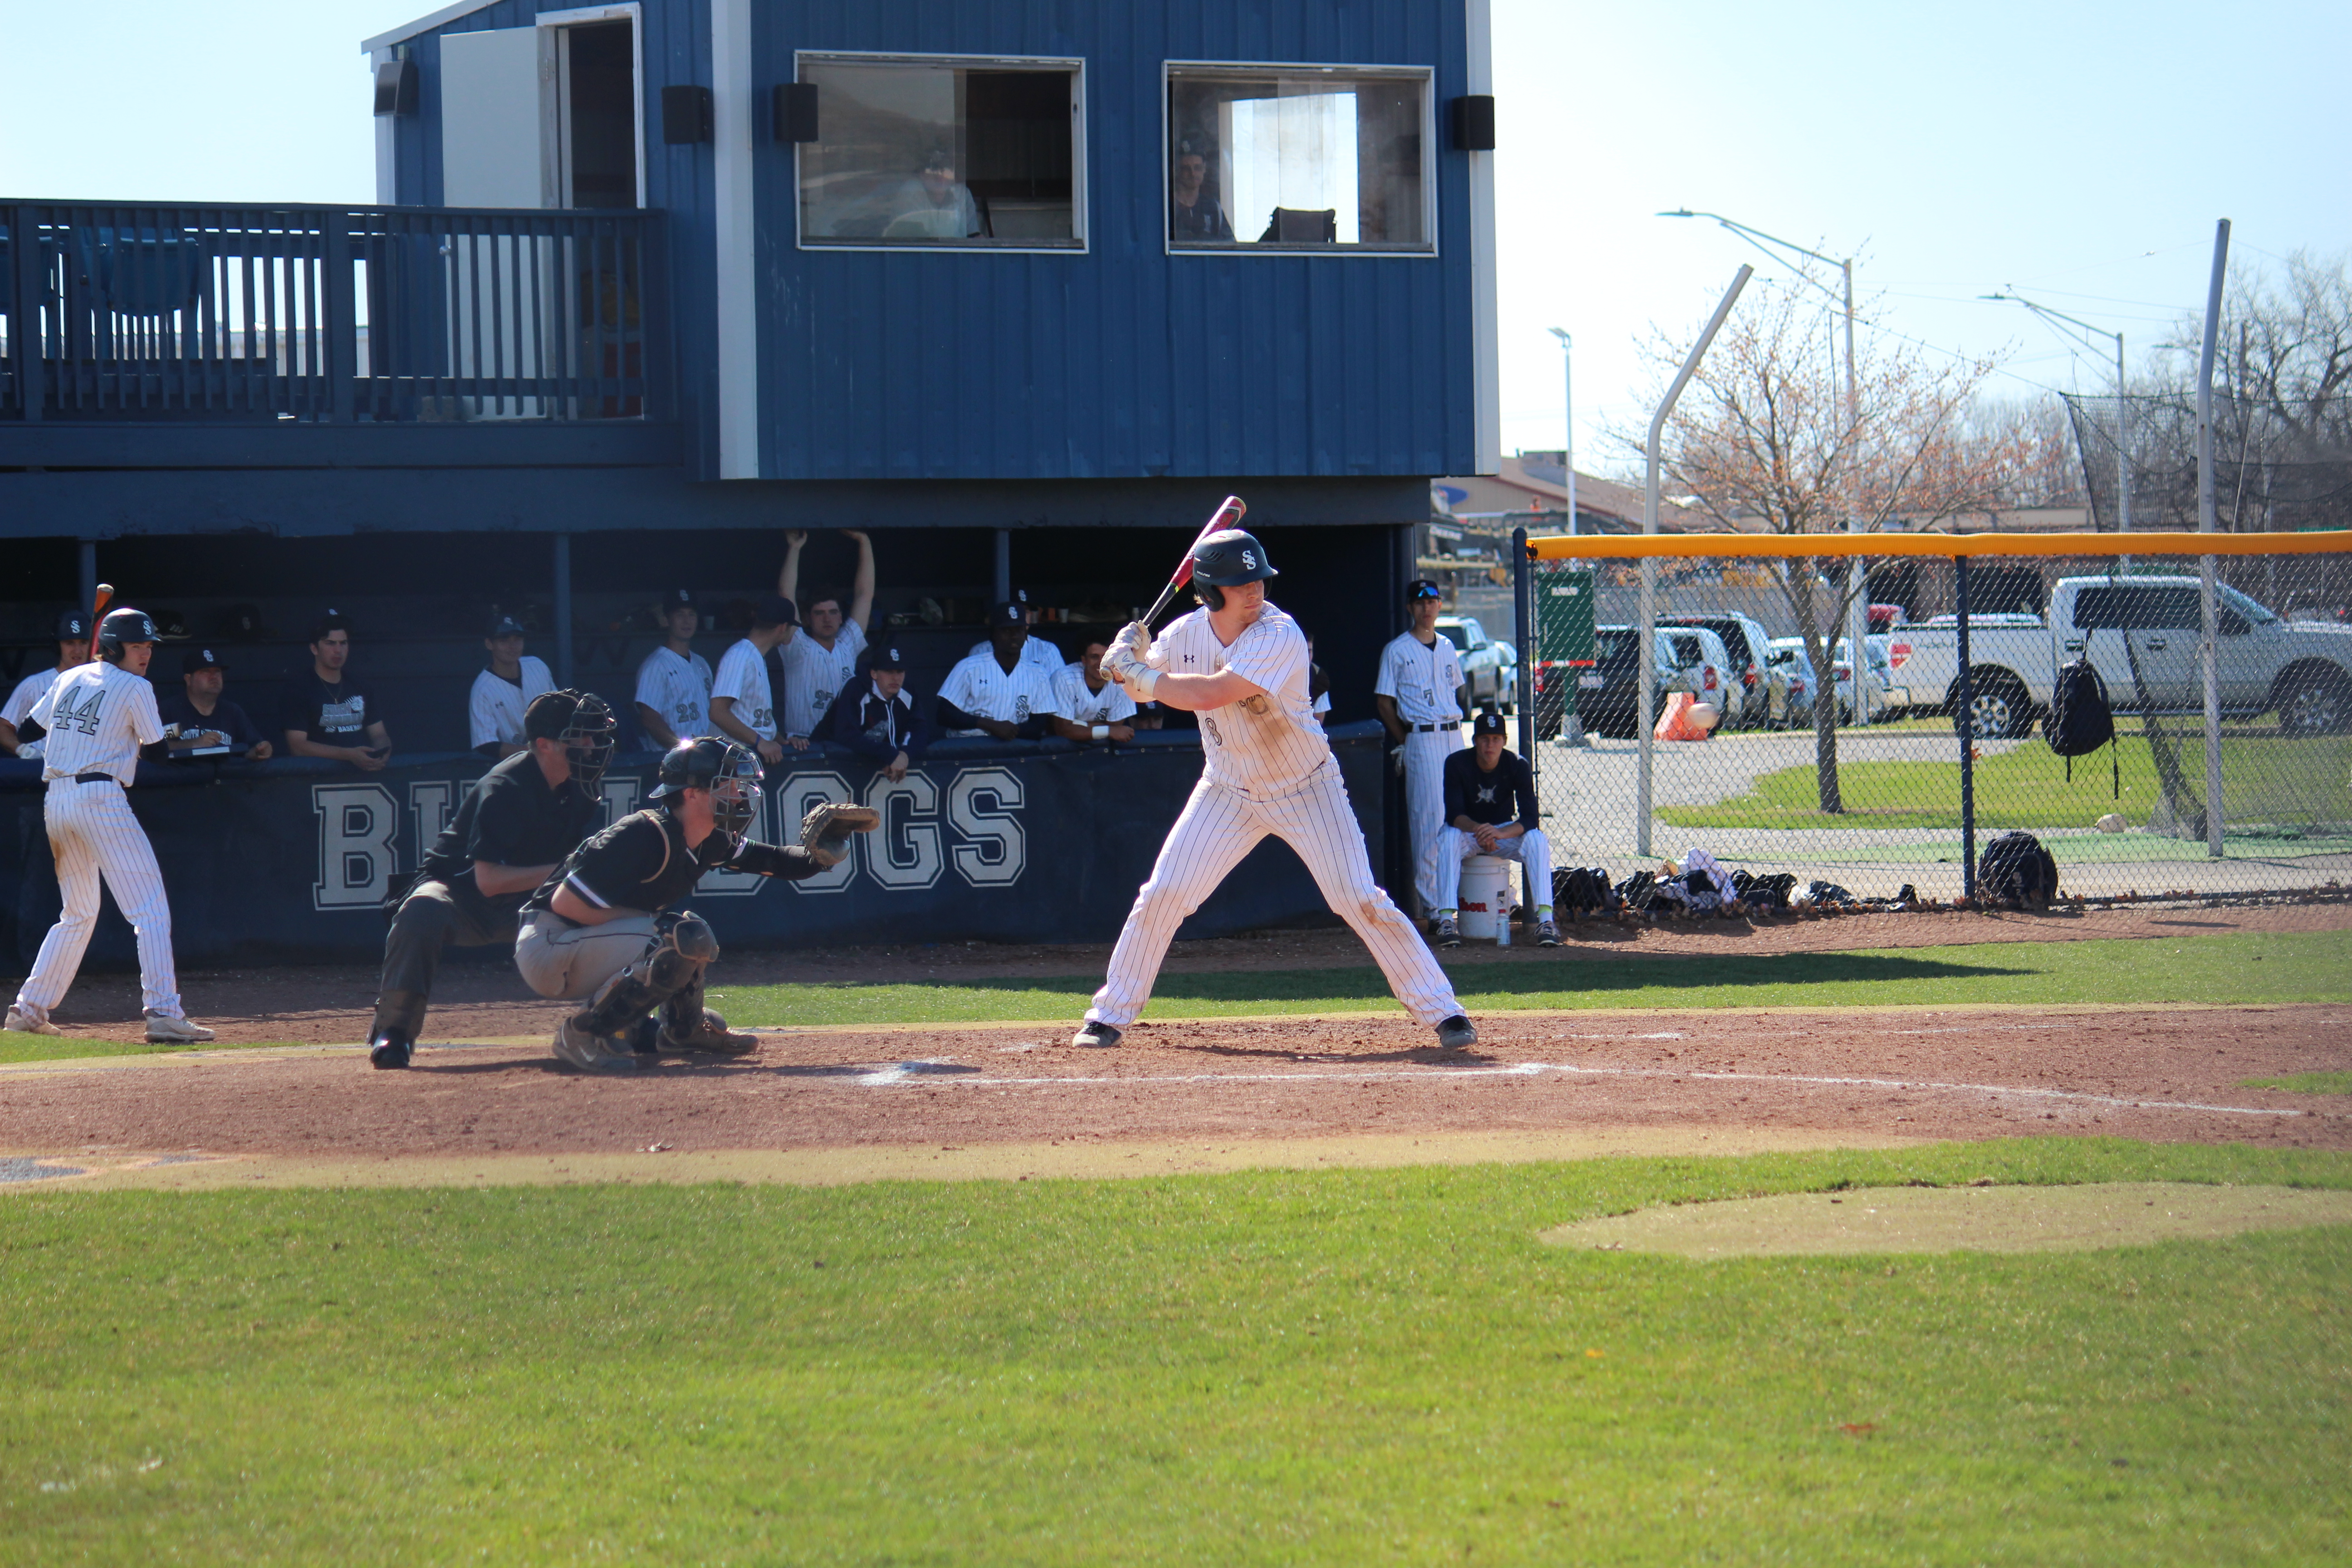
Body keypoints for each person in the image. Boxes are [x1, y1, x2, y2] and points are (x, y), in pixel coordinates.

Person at [1081, 530, 1475, 1052]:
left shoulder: (1279, 632)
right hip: (1227, 789)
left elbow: (1213, 691)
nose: (1255, 590)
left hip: (1306, 787)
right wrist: (1125, 658)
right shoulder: (1182, 636)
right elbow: (1137, 685)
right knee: (1164, 894)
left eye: (1258, 580)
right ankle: (1109, 1014)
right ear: (1211, 592)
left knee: (1359, 898)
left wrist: (1137, 673)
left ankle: (1443, 1010)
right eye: (1240, 583)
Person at [512, 738, 877, 1070]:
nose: (739, 794)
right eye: (727, 785)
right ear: (691, 793)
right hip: (549, 944)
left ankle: (682, 1031)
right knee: (678, 936)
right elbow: (567, 905)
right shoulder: (642, 833)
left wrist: (820, 856)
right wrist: (650, 924)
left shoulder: (708, 838)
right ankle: (581, 1033)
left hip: (585, 942)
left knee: (684, 934)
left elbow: (775, 862)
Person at [368, 691, 615, 1068]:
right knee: (421, 910)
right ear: (545, 745)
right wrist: (567, 871)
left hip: (534, 899)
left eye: (592, 736)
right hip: (465, 897)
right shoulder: (505, 788)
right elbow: (489, 881)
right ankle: (395, 1031)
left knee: (613, 910)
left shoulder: (580, 784)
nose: (592, 746)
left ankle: (625, 1018)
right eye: (579, 737)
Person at [4, 608, 212, 1044]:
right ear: (115, 648)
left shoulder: (67, 677)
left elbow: (27, 728)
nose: (145, 654)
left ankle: (28, 1009)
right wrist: (125, 732)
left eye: (149, 647)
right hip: (100, 798)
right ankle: (163, 1012)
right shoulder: (136, 687)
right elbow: (157, 754)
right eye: (137, 646)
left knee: (78, 913)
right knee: (150, 909)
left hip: (58, 800)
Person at [1375, 580, 1466, 923]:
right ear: (1410, 608)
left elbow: (1458, 692)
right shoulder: (1397, 650)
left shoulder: (1448, 646)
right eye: (1420, 602)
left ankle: (1459, 901)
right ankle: (1435, 909)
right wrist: (1406, 739)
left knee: (1459, 820)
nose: (1427, 608)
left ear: (1440, 605)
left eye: (1432, 601)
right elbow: (1384, 702)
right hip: (1422, 737)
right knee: (1429, 825)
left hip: (1454, 735)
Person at [1431, 710, 1558, 948]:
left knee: (1537, 839)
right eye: (1485, 739)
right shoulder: (1457, 763)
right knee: (1447, 837)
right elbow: (1454, 815)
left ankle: (1546, 921)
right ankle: (1447, 920)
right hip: (1469, 833)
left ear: (1504, 741)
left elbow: (1530, 818)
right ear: (1475, 741)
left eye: (1496, 739)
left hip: (1502, 833)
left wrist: (1499, 833)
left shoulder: (1517, 764)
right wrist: (1480, 830)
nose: (1490, 745)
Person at [777, 529, 875, 743]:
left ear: (841, 617)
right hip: (804, 743)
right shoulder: (798, 646)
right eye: (819, 613)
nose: (827, 619)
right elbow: (786, 596)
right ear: (807, 619)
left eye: (833, 612)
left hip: (844, 743)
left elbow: (865, 595)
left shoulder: (848, 644)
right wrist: (795, 549)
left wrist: (864, 541)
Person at [939, 603, 1073, 740]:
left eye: (1019, 630)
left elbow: (1039, 725)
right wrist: (991, 726)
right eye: (1007, 630)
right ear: (994, 634)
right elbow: (944, 714)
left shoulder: (1038, 673)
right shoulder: (968, 667)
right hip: (968, 744)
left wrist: (1009, 731)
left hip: (1014, 745)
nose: (1014, 636)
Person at [283, 610, 392, 770]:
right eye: (330, 643)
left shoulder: (360, 686)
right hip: (319, 776)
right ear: (314, 648)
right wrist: (349, 755)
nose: (338, 650)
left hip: (364, 774)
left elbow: (379, 734)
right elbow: (297, 746)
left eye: (343, 643)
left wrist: (382, 753)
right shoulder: (299, 689)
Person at [814, 643, 931, 782]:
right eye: (889, 671)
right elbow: (846, 735)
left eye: (900, 672)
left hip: (876, 765)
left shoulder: (907, 690)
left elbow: (919, 730)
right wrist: (890, 756)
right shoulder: (855, 689)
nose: (895, 678)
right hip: (827, 764)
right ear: (874, 673)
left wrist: (904, 756)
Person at [710, 595, 798, 765]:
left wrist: (782, 742)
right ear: (783, 627)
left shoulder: (755, 656)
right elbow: (718, 712)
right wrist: (760, 742)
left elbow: (756, 719)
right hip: (729, 763)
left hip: (746, 760)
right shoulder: (739, 656)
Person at [2, 612, 93, 757]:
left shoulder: (106, 684)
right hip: (42, 765)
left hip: (88, 764)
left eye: (83, 642)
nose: (78, 650)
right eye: (70, 643)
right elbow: (4, 727)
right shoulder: (34, 684)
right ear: (57, 646)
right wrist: (23, 750)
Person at [156, 647, 273, 760]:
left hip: (225, 774)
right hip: (183, 773)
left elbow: (250, 749)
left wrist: (260, 751)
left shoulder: (232, 712)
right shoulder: (167, 710)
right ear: (188, 679)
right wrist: (193, 744)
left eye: (217, 671)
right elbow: (152, 749)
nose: (214, 677)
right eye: (205, 671)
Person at [634, 588, 714, 752]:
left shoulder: (702, 663)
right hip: (668, 759)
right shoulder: (655, 665)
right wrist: (681, 750)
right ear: (666, 620)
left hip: (705, 755)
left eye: (692, 615)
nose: (687, 621)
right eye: (680, 615)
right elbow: (650, 719)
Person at [470, 615, 556, 759]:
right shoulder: (482, 690)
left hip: (552, 755)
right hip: (513, 764)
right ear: (489, 644)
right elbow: (486, 745)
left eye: (517, 639)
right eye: (504, 640)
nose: (512, 646)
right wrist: (535, 752)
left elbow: (559, 710)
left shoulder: (537, 666)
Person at [1052, 639, 1138, 745]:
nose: (1101, 664)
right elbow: (1063, 730)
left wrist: (1078, 725)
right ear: (1084, 660)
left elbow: (1115, 729)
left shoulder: (1123, 681)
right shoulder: (1065, 678)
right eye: (1094, 657)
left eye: (1107, 657)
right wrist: (1107, 731)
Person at [965, 587, 1064, 678]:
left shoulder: (1047, 650)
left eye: (1025, 611)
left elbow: (1057, 688)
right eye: (1015, 612)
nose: (1020, 618)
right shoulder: (980, 651)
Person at [886, 147, 983, 240]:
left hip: (955, 251)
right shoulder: (911, 192)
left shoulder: (962, 193)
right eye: (934, 170)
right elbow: (908, 240)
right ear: (922, 174)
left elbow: (973, 236)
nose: (940, 177)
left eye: (946, 170)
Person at [1170, 141, 1234, 241]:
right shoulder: (1167, 208)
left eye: (1198, 168)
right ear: (1177, 170)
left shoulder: (1214, 209)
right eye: (1186, 169)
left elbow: (1229, 245)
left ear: (1204, 169)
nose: (1193, 174)